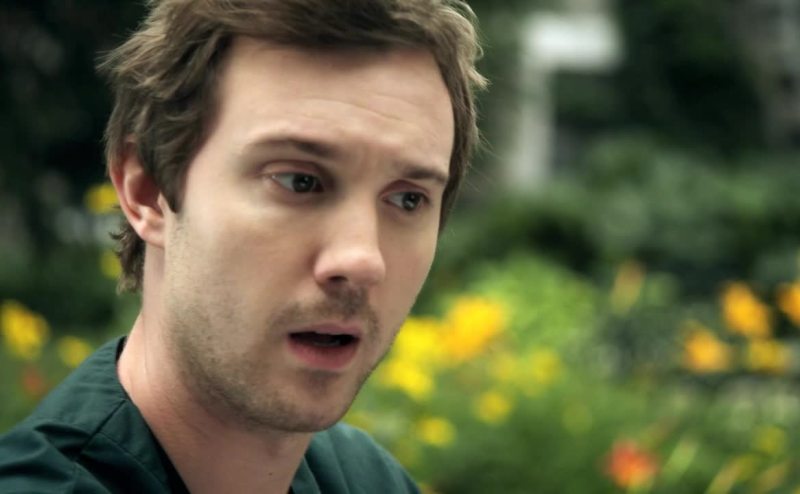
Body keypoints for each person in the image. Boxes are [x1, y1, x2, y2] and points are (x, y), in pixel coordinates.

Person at [0, 0, 486, 492]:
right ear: (147, 191)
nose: (362, 259)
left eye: (407, 199)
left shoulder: (368, 480)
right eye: (299, 181)